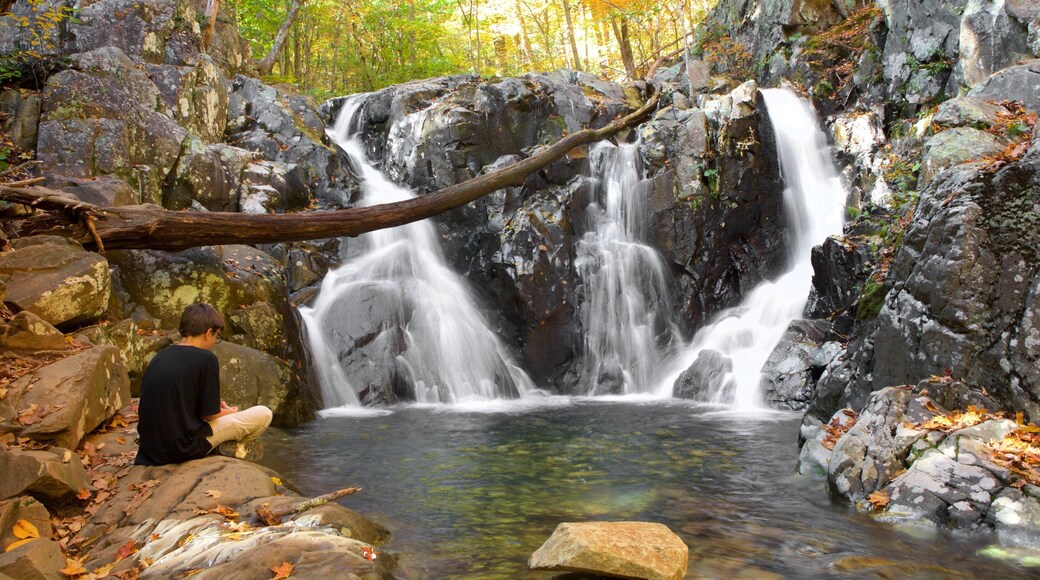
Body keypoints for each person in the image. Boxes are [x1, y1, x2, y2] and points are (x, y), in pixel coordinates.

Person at [134, 303, 273, 465]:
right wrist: (230, 412)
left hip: (149, 450)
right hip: (181, 449)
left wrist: (216, 409)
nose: (215, 342)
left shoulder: (160, 355)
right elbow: (209, 415)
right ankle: (227, 447)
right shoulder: (206, 359)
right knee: (264, 414)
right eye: (217, 337)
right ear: (208, 333)